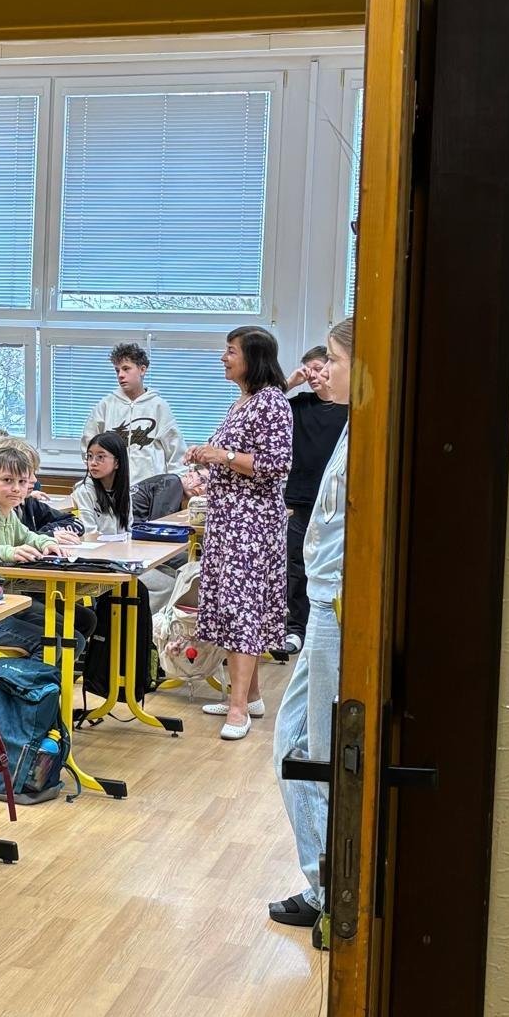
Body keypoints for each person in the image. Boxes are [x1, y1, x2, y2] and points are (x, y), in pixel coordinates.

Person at [270, 317, 353, 949]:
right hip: (326, 602)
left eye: (335, 359)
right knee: (294, 746)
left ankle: (334, 896)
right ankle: (327, 885)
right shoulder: (349, 425)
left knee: (317, 754)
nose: (324, 369)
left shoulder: (371, 431)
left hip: (339, 608)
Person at [186, 328, 293, 740]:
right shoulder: (242, 401)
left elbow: (276, 464)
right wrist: (205, 462)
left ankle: (237, 709)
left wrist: (223, 455)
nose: (223, 358)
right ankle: (250, 696)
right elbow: (231, 459)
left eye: (231, 351)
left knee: (243, 609)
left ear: (254, 357)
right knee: (230, 607)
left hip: (251, 525)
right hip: (226, 520)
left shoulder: (272, 401)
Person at [0, 440, 81, 661]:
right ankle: (8, 682)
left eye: (22, 482)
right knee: (48, 644)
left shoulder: (8, 513)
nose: (16, 488)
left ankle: (46, 682)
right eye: (7, 480)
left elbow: (27, 536)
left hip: (1, 603)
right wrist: (6, 552)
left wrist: (45, 543)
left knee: (73, 638)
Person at [282, 343, 348, 655]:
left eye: (320, 368)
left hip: (335, 503)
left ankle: (326, 630)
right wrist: (292, 381)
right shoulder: (299, 405)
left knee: (330, 568)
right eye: (308, 371)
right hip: (299, 498)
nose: (314, 376)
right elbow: (263, 405)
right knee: (296, 565)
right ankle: (296, 629)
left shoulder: (348, 408)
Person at [69, 430, 178, 614]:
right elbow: (89, 534)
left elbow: (128, 531)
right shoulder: (84, 491)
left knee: (173, 576)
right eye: (90, 456)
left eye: (100, 457)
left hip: (121, 558)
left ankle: (134, 624)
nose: (93, 462)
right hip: (100, 562)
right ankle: (130, 623)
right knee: (166, 586)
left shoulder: (123, 492)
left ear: (117, 462)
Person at [80, 342, 186, 486]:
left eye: (126, 369)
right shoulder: (105, 406)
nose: (120, 375)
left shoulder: (159, 407)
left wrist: (176, 486)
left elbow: (176, 451)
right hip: (113, 488)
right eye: (117, 370)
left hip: (150, 489)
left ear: (142, 370)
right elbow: (88, 445)